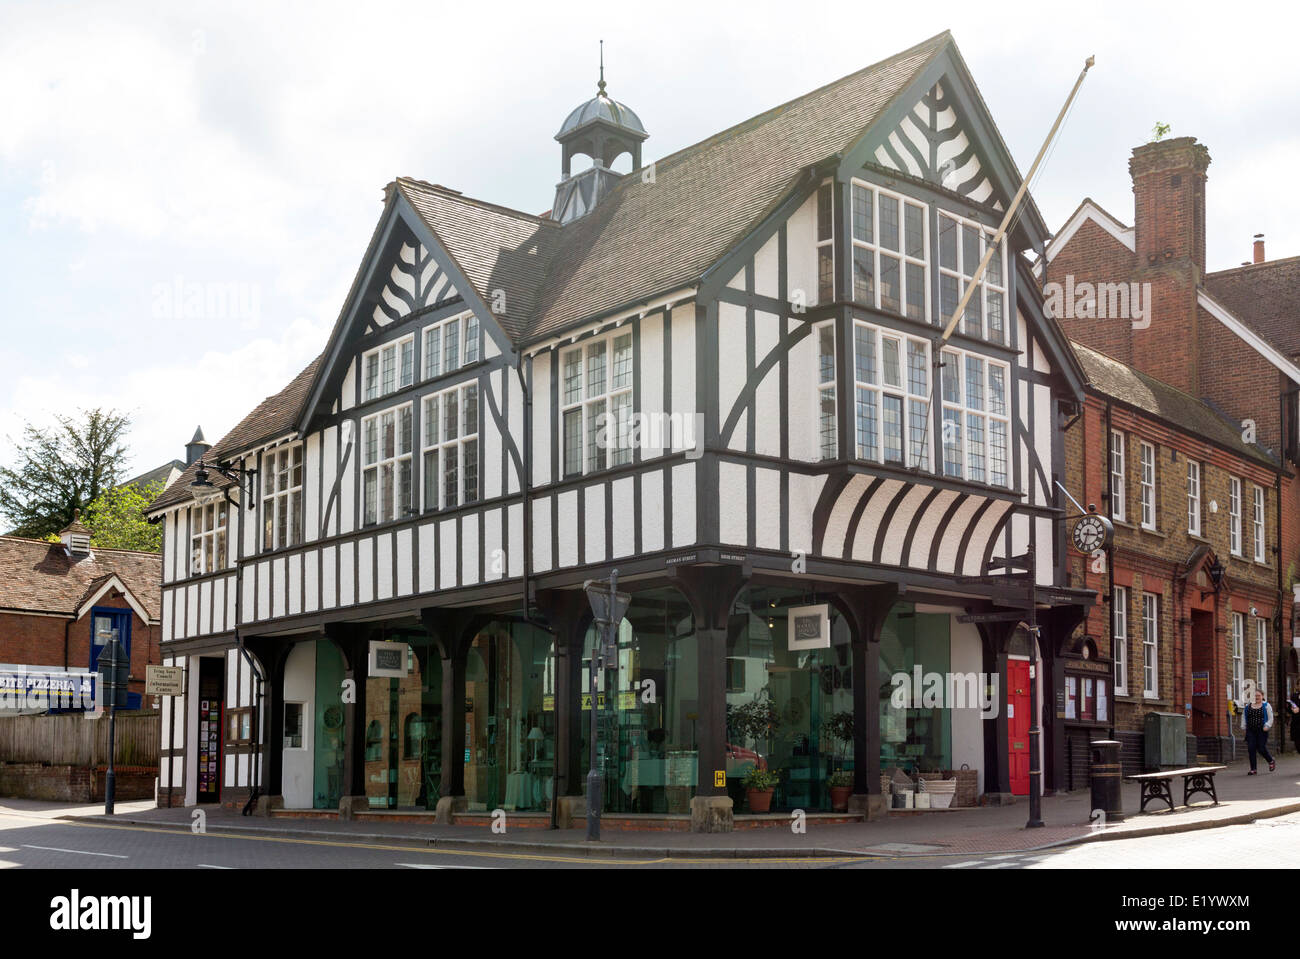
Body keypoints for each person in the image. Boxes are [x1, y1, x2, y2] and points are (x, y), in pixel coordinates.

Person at [1241, 688, 1275, 774]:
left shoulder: (1266, 705)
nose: (1256, 697)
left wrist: (1267, 726)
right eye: (1255, 696)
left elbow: (1271, 718)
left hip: (1262, 730)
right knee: (1251, 748)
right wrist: (1243, 727)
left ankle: (1270, 760)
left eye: (1258, 695)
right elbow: (1244, 717)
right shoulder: (1248, 706)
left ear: (1262, 696)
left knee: (1261, 748)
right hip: (1250, 730)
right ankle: (1253, 769)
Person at [1287, 689, 1300, 753]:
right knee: (1297, 745)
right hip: (1296, 724)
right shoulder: (1294, 696)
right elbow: (1289, 708)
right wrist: (1291, 709)